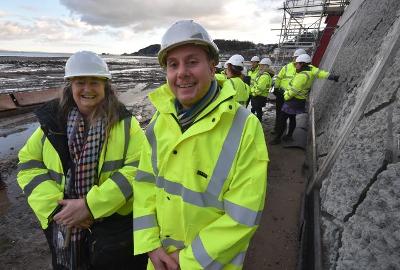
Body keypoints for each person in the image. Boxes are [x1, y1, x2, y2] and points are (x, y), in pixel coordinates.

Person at [133, 19, 268, 270]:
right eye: (173, 65)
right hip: (159, 261)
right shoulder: (159, 121)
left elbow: (243, 215)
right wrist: (150, 244)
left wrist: (186, 262)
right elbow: (144, 185)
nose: (182, 72)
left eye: (192, 61)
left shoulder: (245, 127)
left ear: (212, 65)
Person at [17, 51, 148, 269]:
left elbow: (140, 169)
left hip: (114, 234)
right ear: (70, 86)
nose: (87, 89)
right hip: (63, 225)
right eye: (80, 82)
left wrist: (90, 206)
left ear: (106, 85)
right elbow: (28, 164)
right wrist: (58, 209)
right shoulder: (52, 124)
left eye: (94, 82)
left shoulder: (127, 124)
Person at [270, 54, 339, 144]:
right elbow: (320, 73)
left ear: (302, 64)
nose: (295, 65)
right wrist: (332, 77)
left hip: (293, 100)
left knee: (283, 118)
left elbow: (293, 90)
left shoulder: (302, 76)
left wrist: (285, 96)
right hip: (300, 100)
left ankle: (277, 138)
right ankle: (289, 136)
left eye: (297, 64)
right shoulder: (310, 70)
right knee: (292, 117)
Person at [273, 48, 307, 134]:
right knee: (279, 114)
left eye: (298, 58)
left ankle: (287, 134)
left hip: (293, 96)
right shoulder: (287, 67)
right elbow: (279, 78)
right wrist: (276, 88)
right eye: (295, 57)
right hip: (281, 93)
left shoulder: (304, 70)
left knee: (291, 116)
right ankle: (277, 129)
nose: (296, 60)